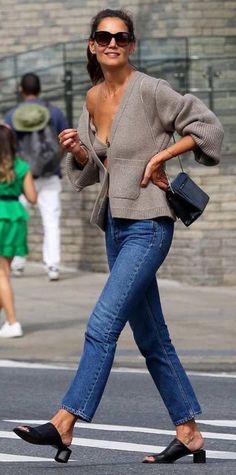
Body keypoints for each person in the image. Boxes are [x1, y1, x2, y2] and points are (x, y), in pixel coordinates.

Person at [13, 8, 224, 464]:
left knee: (103, 325)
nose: (113, 43)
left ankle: (64, 423)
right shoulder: (91, 97)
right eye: (104, 37)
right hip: (115, 224)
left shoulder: (150, 90)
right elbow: (101, 168)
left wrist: (162, 154)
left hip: (149, 226)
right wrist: (79, 151)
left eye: (122, 37)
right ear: (92, 44)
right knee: (152, 339)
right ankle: (188, 431)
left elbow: (208, 128)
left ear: (131, 44)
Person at [4, 72, 68, 281]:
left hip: (22, 176)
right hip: (49, 175)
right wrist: (54, 162)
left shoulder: (12, 115)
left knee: (19, 218)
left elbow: (6, 148)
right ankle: (53, 266)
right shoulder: (54, 112)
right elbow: (66, 140)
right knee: (51, 220)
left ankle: (17, 262)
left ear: (21, 90)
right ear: (40, 89)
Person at [0, 124, 37, 338]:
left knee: (1, 273)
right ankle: (9, 321)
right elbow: (32, 198)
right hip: (15, 216)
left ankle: (13, 322)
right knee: (4, 272)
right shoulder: (21, 166)